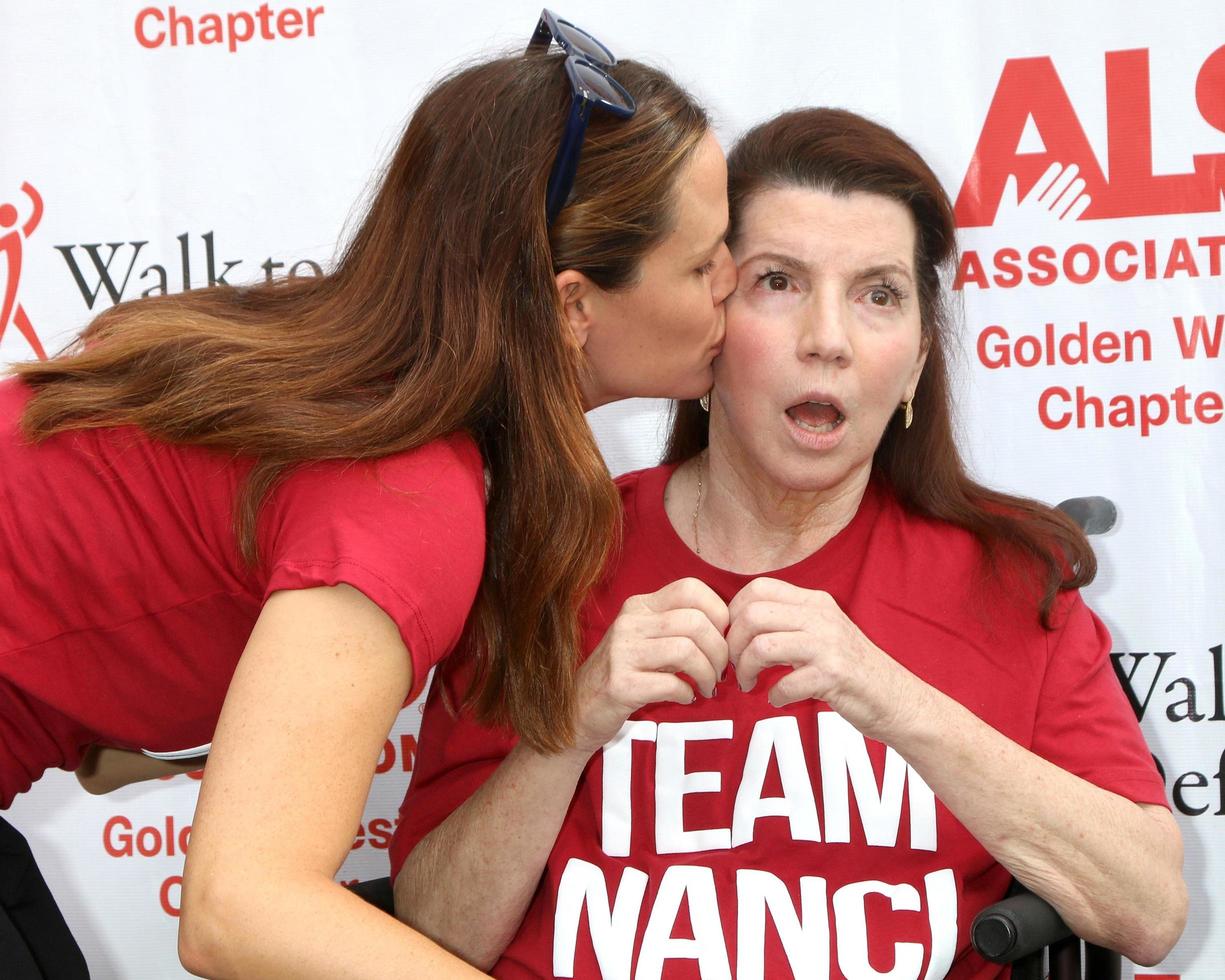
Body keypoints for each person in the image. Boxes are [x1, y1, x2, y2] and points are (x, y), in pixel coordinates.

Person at [0, 12, 735, 977]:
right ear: (570, 305)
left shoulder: (351, 378)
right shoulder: (408, 498)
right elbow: (238, 911)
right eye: (703, 260)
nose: (736, 282)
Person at [387, 108, 1187, 978]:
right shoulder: (544, 556)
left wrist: (886, 695)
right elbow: (430, 934)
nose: (828, 341)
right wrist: (570, 729)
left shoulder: (1007, 577)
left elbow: (1145, 913)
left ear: (918, 360)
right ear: (710, 322)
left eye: (878, 294)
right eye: (778, 282)